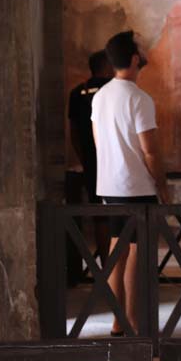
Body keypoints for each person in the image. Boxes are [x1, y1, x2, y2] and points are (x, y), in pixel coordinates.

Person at [91, 30, 169, 335]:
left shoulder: (100, 97)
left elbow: (99, 144)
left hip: (109, 186)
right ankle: (135, 322)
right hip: (137, 187)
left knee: (116, 250)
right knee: (136, 253)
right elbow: (150, 151)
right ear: (135, 58)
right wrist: (162, 185)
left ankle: (116, 321)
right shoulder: (140, 99)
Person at [67, 49, 113, 265]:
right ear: (107, 66)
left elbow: (74, 132)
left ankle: (106, 266)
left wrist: (84, 157)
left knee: (100, 215)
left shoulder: (77, 93)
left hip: (92, 161)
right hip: (116, 161)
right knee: (125, 215)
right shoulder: (115, 91)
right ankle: (123, 270)